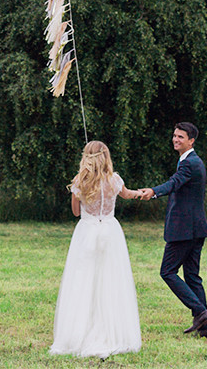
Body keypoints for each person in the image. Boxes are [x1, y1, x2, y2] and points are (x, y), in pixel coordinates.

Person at [50, 140, 146, 358]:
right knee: (111, 279)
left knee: (83, 280)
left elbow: (76, 212)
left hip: (86, 233)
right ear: (106, 156)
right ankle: (112, 332)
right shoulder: (114, 180)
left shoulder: (80, 182)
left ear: (86, 157)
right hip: (111, 232)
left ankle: (78, 332)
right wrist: (140, 193)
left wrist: (78, 193)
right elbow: (128, 194)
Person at [140, 122, 207, 338]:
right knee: (192, 277)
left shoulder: (189, 163)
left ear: (191, 140)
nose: (175, 139)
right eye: (174, 136)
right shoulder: (190, 161)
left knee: (167, 271)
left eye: (180, 137)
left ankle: (200, 312)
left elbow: (174, 183)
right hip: (195, 229)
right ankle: (205, 328)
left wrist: (153, 191)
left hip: (185, 231)